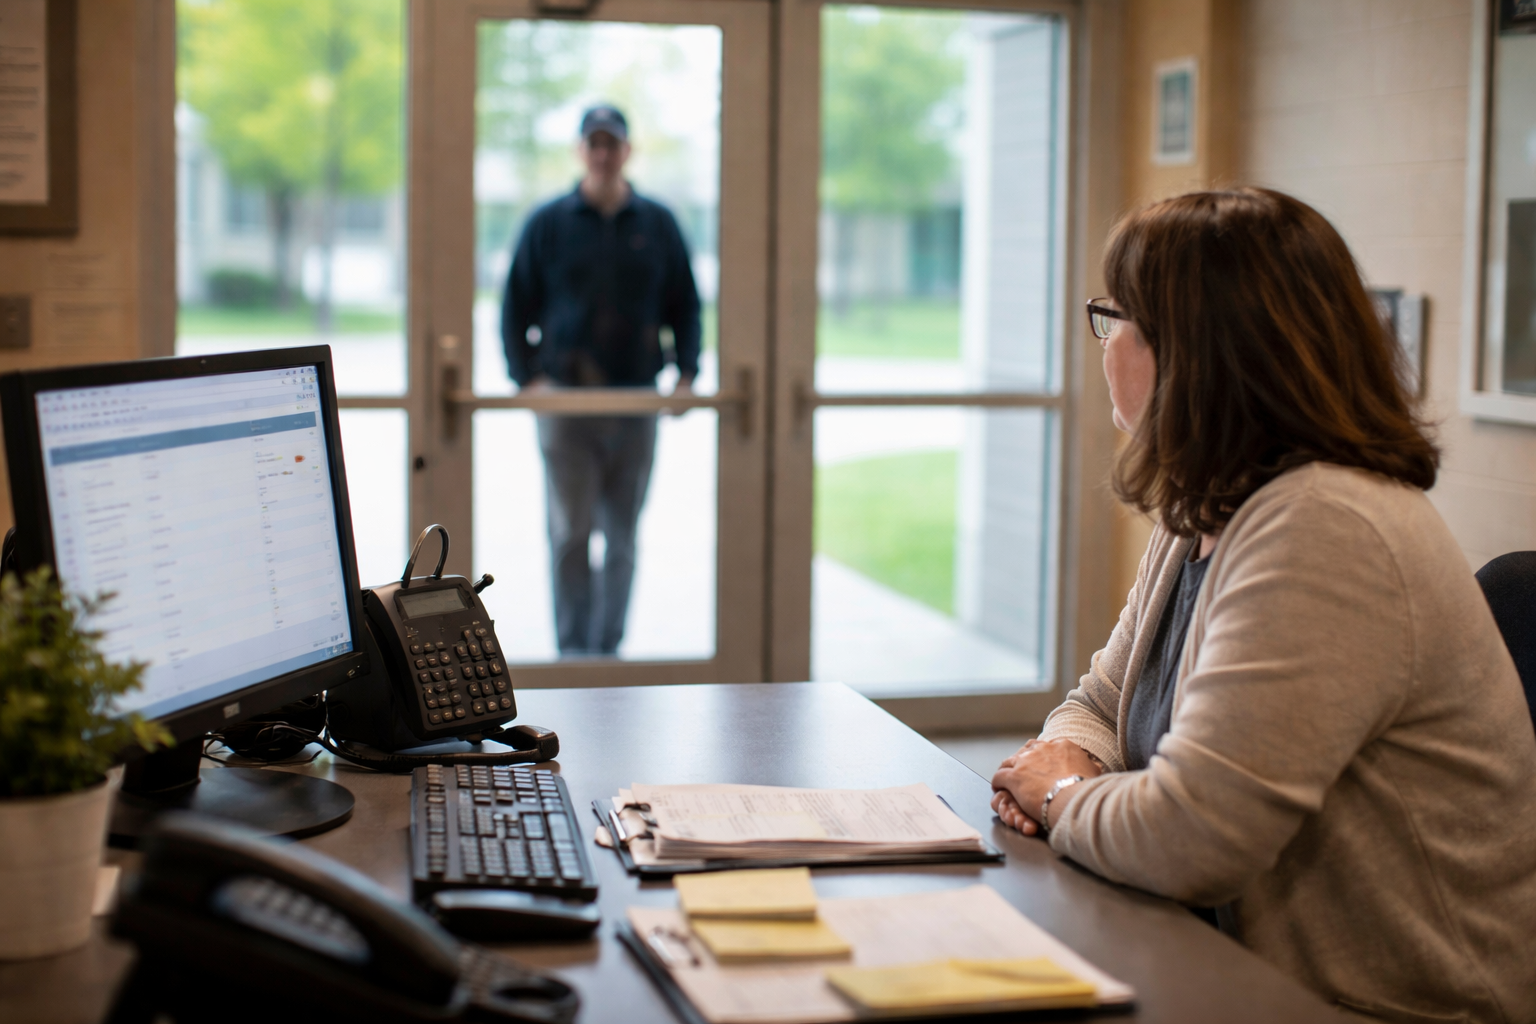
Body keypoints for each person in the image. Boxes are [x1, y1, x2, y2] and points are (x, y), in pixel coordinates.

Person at [989, 188, 1536, 1021]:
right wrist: (1071, 763)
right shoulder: (1205, 510)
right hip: (1216, 963)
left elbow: (1193, 840)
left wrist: (1061, 798)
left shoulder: (1326, 529)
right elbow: (1100, 702)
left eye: (1117, 318)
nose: (1107, 347)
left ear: (1192, 353)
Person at [502, 105, 701, 656]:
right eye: (594, 143)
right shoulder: (548, 223)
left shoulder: (658, 224)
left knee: (623, 539)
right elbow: (515, 305)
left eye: (613, 143)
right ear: (581, 151)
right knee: (569, 535)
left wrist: (686, 374)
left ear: (627, 152)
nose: (604, 153)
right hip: (566, 405)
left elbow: (685, 303)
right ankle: (574, 654)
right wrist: (527, 379)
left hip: (636, 402)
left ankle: (606, 652)